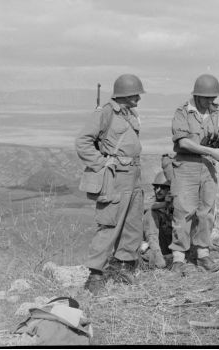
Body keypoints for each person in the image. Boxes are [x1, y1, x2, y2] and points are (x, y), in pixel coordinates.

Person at [76, 74, 146, 295]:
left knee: (133, 223)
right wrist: (101, 163)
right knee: (110, 224)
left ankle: (123, 266)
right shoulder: (105, 112)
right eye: (135, 94)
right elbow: (83, 142)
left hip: (133, 174)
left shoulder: (129, 114)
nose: (138, 98)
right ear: (124, 94)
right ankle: (95, 274)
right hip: (115, 177)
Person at [169, 74, 219, 274]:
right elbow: (183, 142)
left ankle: (203, 254)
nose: (210, 101)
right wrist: (211, 151)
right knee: (183, 211)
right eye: (207, 98)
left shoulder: (217, 113)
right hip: (186, 165)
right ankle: (179, 258)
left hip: (208, 167)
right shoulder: (182, 112)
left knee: (206, 212)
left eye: (213, 98)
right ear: (197, 96)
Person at [140, 170, 173, 269]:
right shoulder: (152, 208)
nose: (158, 190)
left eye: (163, 188)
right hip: (155, 248)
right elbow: (152, 237)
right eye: (156, 187)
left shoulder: (177, 205)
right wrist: (159, 260)